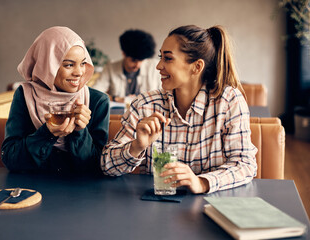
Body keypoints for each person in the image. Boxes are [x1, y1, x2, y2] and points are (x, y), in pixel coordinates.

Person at [101, 25, 258, 194]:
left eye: (168, 58)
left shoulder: (228, 101)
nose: (158, 66)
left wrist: (202, 183)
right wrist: (137, 146)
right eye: (161, 57)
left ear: (197, 67)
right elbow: (107, 165)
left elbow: (245, 164)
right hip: (155, 211)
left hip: (210, 209)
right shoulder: (145, 105)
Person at [2, 26, 110, 175]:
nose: (79, 72)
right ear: (48, 65)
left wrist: (80, 132)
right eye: (69, 65)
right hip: (33, 191)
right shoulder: (25, 95)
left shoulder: (98, 101)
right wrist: (47, 133)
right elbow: (11, 159)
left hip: (82, 194)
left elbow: (98, 166)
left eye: (83, 63)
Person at [92, 29, 161, 103]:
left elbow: (164, 95)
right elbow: (95, 93)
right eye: (133, 60)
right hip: (118, 114)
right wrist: (116, 99)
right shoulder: (111, 68)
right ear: (124, 54)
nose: (137, 65)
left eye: (141, 60)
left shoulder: (155, 67)